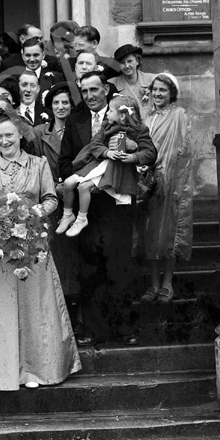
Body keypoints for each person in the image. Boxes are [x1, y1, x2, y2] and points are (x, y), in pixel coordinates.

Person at [0, 110, 81, 390]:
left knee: (35, 304)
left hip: (31, 242)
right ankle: (5, 371)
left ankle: (35, 369)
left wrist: (32, 215)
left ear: (20, 135)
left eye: (9, 134)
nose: (5, 140)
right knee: (1, 306)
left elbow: (51, 199)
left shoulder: (38, 163)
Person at [59, 71, 145, 346]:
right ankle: (96, 329)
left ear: (106, 89)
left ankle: (125, 327)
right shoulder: (76, 121)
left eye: (94, 90)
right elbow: (65, 162)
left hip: (117, 202)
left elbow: (143, 153)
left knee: (119, 264)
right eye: (84, 91)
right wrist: (85, 177)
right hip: (89, 206)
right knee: (90, 265)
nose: (90, 96)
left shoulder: (124, 115)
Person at [58, 95, 156, 237]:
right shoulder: (106, 126)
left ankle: (81, 218)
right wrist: (107, 152)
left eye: (110, 111)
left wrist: (133, 155)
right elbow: (95, 143)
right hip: (102, 163)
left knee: (83, 187)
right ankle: (68, 215)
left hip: (119, 171)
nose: (107, 113)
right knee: (69, 183)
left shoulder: (139, 130)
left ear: (122, 116)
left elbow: (150, 153)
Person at [135, 73, 193, 304]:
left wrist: (176, 181)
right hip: (146, 182)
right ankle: (153, 283)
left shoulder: (179, 115)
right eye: (155, 89)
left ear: (172, 94)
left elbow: (184, 150)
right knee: (149, 234)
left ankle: (167, 283)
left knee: (168, 233)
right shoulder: (145, 117)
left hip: (169, 182)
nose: (158, 94)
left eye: (163, 90)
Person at [32, 83, 83, 331]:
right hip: (53, 200)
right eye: (56, 103)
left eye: (65, 102)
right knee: (60, 258)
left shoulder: (80, 129)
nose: (61, 107)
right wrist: (53, 187)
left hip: (81, 198)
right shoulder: (41, 134)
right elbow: (35, 168)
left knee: (79, 257)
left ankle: (79, 312)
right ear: (50, 107)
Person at [109, 44, 158, 119]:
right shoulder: (112, 84)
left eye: (130, 61)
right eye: (122, 63)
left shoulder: (152, 80)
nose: (127, 66)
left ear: (137, 61)